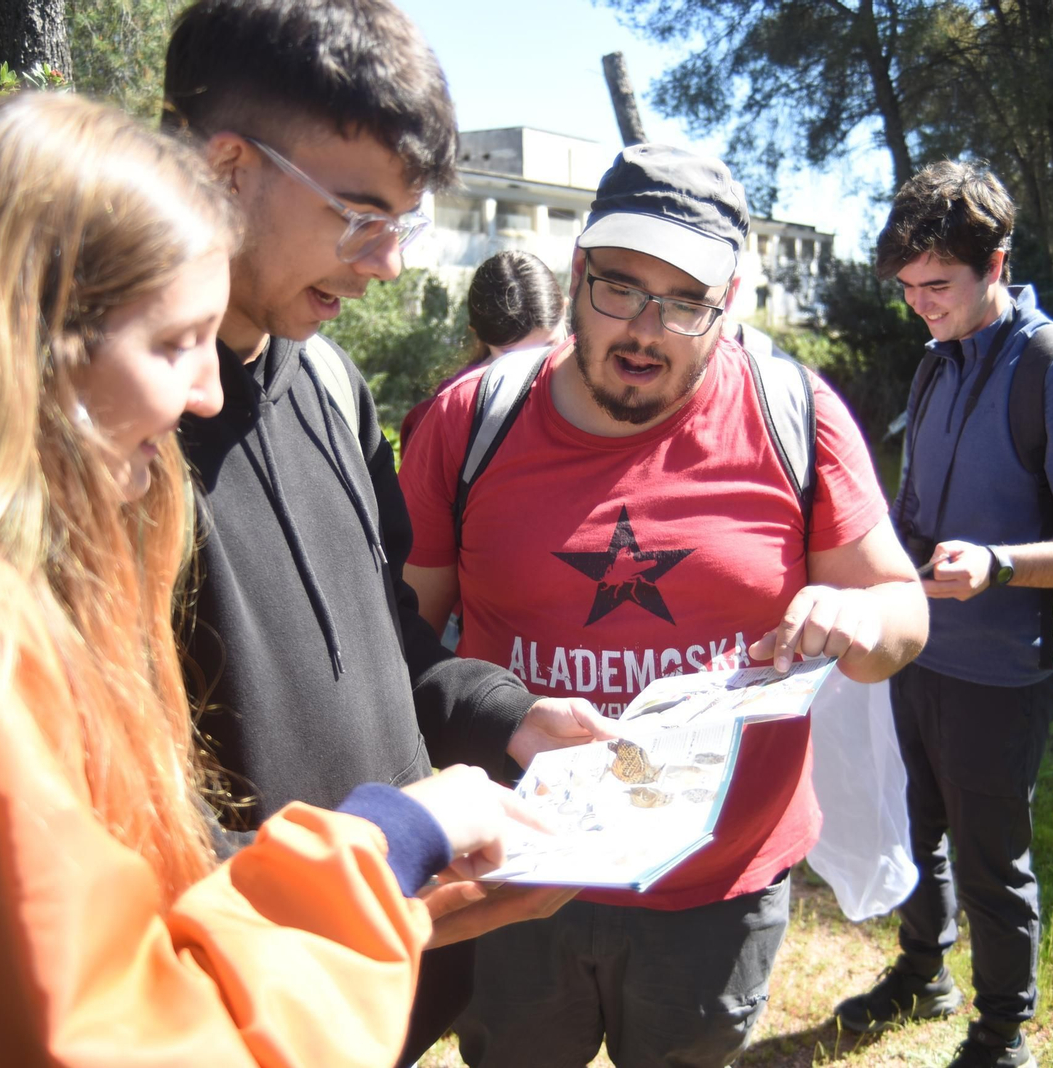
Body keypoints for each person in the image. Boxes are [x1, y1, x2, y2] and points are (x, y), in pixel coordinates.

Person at [0, 92, 535, 1068]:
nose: (209, 393)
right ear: (27, 338)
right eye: (175, 344)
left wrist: (384, 879)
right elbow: (119, 1036)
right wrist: (386, 840)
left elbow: (114, 898)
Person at [399, 143, 930, 1068]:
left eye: (684, 301)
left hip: (715, 890)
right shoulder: (470, 419)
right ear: (576, 275)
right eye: (619, 289)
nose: (643, 329)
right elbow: (399, 636)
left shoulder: (793, 413)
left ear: (725, 309)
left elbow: (902, 610)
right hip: (514, 866)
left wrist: (863, 625)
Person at [160, 1, 613, 1061]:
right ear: (228, 167)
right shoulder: (114, 432)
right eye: (361, 217)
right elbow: (111, 816)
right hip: (241, 1013)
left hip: (399, 983)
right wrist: (364, 880)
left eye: (403, 223)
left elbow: (391, 638)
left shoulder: (331, 383)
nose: (391, 265)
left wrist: (513, 718)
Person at [831, 161, 1053, 1068]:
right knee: (913, 824)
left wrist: (1001, 565)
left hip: (1003, 670)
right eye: (908, 289)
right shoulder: (936, 362)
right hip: (917, 649)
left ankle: (1003, 1036)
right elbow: (916, 511)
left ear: (996, 261)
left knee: (990, 858)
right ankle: (922, 973)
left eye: (939, 286)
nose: (921, 305)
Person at [399, 249, 566, 454]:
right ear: (477, 333)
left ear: (565, 309)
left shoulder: (599, 379)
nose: (534, 369)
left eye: (548, 348)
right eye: (511, 357)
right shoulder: (450, 411)